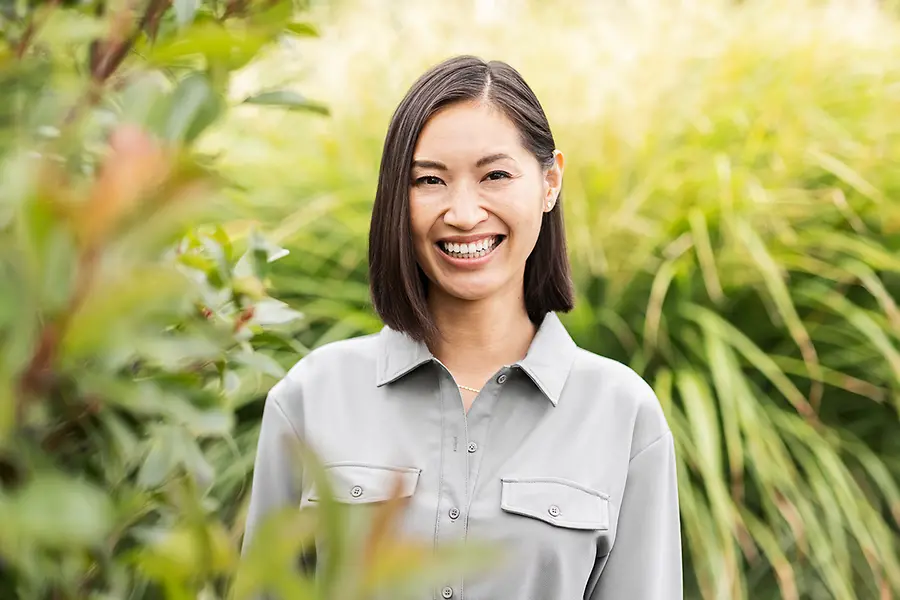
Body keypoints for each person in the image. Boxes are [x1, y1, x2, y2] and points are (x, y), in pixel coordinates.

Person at [242, 55, 682, 599]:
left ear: (550, 183)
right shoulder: (311, 398)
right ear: (397, 200)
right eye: (430, 180)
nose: (464, 212)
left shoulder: (622, 415)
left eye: (495, 175)